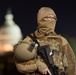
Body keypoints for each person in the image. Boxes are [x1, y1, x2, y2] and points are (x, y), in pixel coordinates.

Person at [13, 7, 76, 75]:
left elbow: (72, 65)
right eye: (48, 17)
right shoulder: (29, 41)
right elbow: (20, 65)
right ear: (40, 19)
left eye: (53, 18)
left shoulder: (61, 41)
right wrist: (36, 65)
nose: (51, 20)